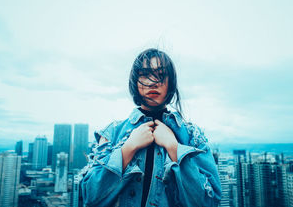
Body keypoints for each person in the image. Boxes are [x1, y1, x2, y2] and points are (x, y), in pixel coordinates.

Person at [81, 48, 221, 207]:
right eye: (145, 74)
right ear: (135, 82)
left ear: (171, 84)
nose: (153, 82)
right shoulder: (112, 133)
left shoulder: (191, 136)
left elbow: (208, 202)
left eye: (161, 75)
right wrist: (128, 149)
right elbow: (90, 197)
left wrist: (174, 147)